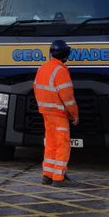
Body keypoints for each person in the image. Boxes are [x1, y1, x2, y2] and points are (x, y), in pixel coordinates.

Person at [33, 39, 78, 186]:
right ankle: (59, 177)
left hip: (46, 113)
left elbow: (36, 88)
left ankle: (47, 174)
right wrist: (74, 114)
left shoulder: (42, 68)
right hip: (58, 114)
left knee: (51, 144)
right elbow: (68, 98)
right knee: (62, 145)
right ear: (65, 55)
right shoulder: (61, 71)